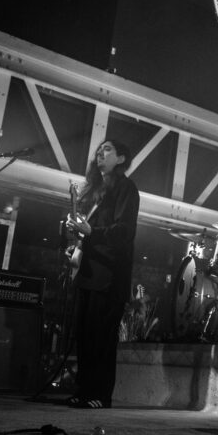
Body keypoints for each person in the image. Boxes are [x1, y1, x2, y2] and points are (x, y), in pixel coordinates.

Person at [64, 140, 139, 409]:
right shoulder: (94, 192)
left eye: (107, 149)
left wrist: (92, 232)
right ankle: (83, 390)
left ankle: (100, 394)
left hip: (110, 275)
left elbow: (124, 232)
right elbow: (87, 231)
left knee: (102, 337)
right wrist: (75, 239)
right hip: (87, 270)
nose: (100, 153)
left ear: (121, 158)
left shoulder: (126, 188)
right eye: (98, 150)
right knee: (83, 334)